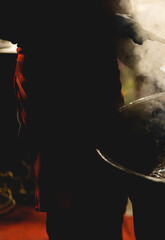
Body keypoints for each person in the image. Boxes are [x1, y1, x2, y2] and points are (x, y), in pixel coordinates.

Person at [0, 0, 147, 239]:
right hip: (51, 89)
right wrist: (96, 24)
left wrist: (161, 71)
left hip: (100, 80)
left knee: (110, 190)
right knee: (70, 203)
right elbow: (9, 21)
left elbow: (121, 18)